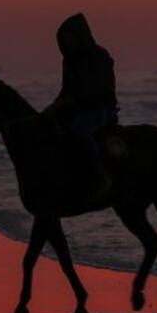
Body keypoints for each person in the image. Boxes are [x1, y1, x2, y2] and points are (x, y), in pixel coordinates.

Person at [44, 13, 119, 194]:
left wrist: (74, 101)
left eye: (70, 37)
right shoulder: (69, 60)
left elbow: (101, 87)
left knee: (81, 129)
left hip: (100, 108)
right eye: (65, 38)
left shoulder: (100, 56)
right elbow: (66, 88)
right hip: (76, 107)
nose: (68, 41)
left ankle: (100, 174)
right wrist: (55, 105)